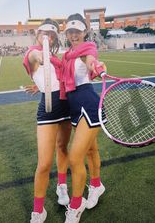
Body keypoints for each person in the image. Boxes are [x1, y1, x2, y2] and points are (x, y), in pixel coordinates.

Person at [23, 18, 72, 223]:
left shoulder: (56, 56)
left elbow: (59, 76)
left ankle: (62, 186)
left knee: (62, 148)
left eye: (51, 35)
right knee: (44, 163)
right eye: (44, 33)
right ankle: (38, 210)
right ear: (38, 34)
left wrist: (39, 84)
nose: (47, 37)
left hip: (66, 104)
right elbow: (35, 58)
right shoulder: (32, 52)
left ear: (54, 38)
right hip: (48, 109)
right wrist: (41, 56)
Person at [60, 13, 106, 223]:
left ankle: (76, 206)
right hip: (74, 107)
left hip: (88, 105)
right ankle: (96, 185)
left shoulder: (87, 49)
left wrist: (96, 66)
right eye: (70, 31)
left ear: (85, 32)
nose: (73, 35)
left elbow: (91, 62)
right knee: (91, 150)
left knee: (74, 158)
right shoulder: (67, 53)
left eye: (77, 31)